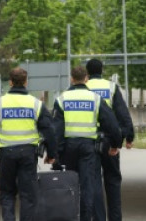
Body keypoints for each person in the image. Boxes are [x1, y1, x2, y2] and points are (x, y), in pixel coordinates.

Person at [0, 67, 57, 221]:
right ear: (26, 82)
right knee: (28, 195)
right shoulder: (36, 104)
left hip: (7, 154)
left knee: (7, 193)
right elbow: (49, 130)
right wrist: (52, 154)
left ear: (10, 82)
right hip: (28, 154)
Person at [53, 66, 122, 221]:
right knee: (88, 186)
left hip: (69, 149)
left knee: (70, 185)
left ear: (71, 79)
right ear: (86, 79)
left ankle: (71, 216)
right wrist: (115, 144)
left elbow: (56, 130)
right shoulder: (96, 99)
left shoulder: (62, 99)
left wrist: (54, 154)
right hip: (88, 149)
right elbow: (112, 124)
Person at [85, 58, 135, 221]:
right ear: (102, 71)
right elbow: (122, 113)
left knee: (95, 183)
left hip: (90, 141)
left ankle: (98, 218)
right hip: (110, 140)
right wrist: (128, 136)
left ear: (87, 72)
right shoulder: (111, 87)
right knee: (113, 180)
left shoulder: (83, 88)